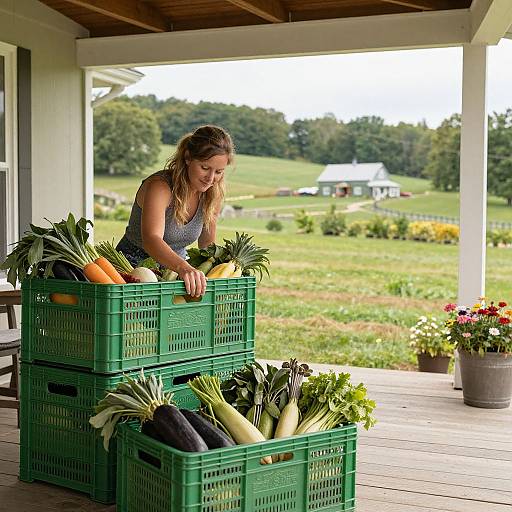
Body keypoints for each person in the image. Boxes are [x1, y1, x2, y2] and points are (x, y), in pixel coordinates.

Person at [116, 125, 234, 297]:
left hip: (173, 275)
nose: (210, 179)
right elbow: (151, 239)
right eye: (205, 168)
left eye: (219, 172)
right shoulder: (160, 187)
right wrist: (185, 268)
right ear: (188, 158)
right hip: (131, 271)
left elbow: (207, 245)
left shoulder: (212, 194)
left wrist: (227, 267)